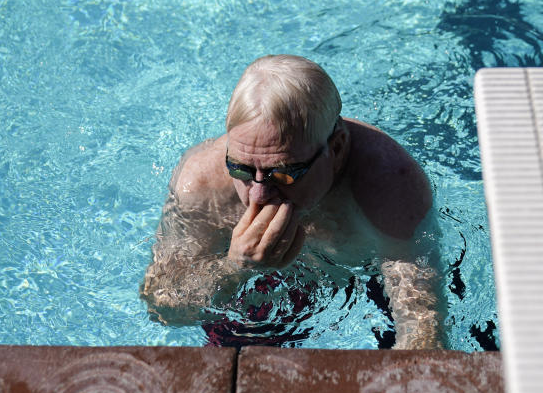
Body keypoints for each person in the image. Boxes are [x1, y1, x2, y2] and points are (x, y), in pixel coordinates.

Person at [140, 54, 445, 349]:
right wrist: (235, 267)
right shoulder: (200, 184)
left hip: (364, 282)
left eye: (283, 174)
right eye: (240, 168)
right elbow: (163, 308)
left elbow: (424, 330)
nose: (258, 194)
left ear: (336, 149)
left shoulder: (389, 182)